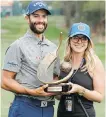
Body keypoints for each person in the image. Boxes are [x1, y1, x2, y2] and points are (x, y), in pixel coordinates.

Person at [1, 1, 60, 117]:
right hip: (25, 107)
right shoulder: (18, 46)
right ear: (27, 18)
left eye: (44, 16)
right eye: (36, 16)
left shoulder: (53, 48)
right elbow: (5, 81)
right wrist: (31, 91)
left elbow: (55, 79)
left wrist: (63, 88)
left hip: (48, 109)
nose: (40, 20)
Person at [57, 22, 105, 117]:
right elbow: (59, 97)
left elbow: (100, 97)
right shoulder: (64, 63)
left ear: (88, 42)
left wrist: (80, 90)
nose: (79, 42)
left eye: (84, 38)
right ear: (70, 40)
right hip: (62, 114)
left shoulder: (94, 63)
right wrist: (58, 90)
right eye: (76, 37)